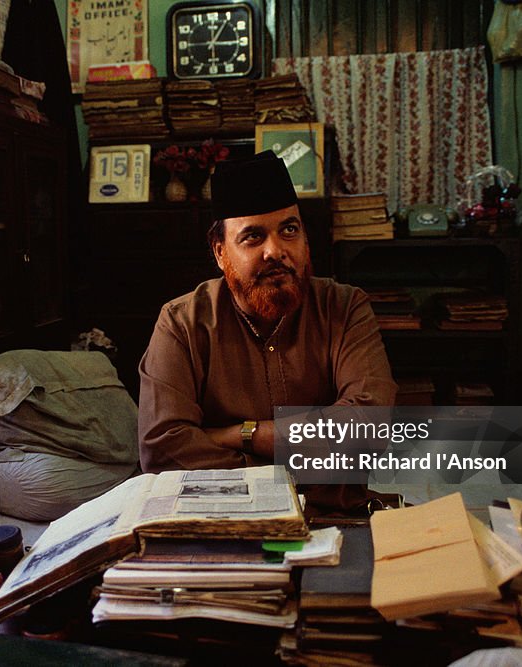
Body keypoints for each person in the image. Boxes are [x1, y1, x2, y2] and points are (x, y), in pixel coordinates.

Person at [137, 150, 397, 510]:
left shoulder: (344, 306)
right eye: (253, 237)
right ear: (220, 253)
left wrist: (242, 435)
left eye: (289, 230)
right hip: (222, 515)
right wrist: (293, 475)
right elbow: (162, 450)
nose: (275, 251)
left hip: (334, 514)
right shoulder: (182, 322)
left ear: (305, 240)